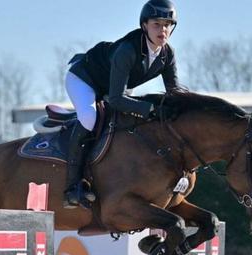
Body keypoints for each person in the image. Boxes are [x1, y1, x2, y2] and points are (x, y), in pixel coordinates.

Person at [63, 0, 186, 209]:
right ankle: (72, 187)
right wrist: (151, 109)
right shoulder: (128, 50)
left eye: (167, 25)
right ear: (145, 25)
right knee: (89, 118)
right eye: (157, 24)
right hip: (84, 79)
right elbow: (117, 99)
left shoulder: (167, 54)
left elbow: (174, 93)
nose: (162, 30)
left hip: (113, 86)